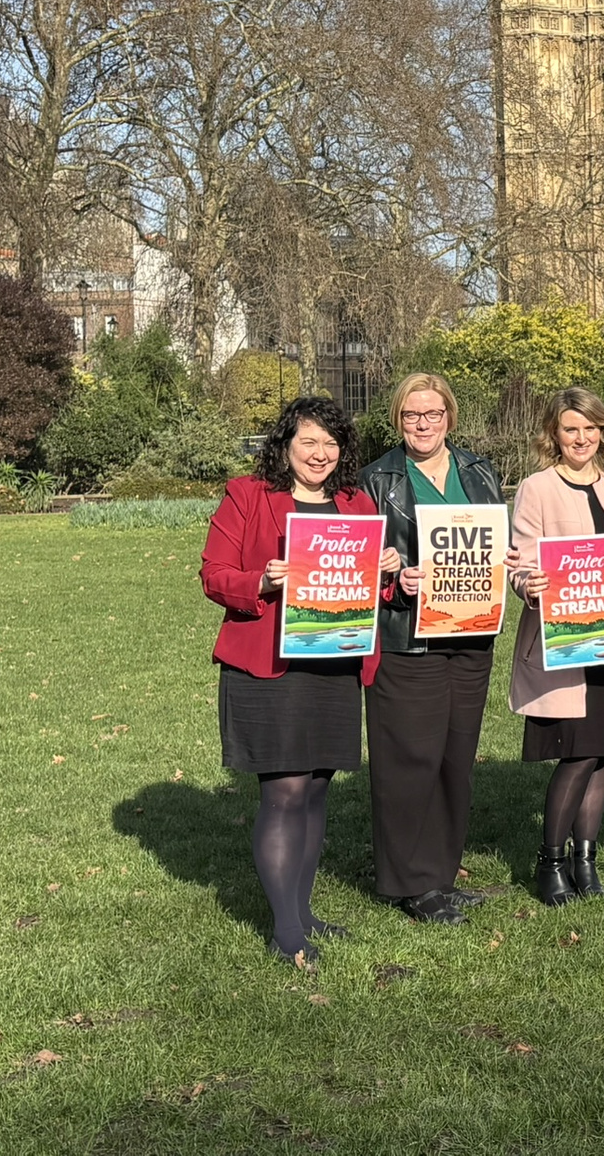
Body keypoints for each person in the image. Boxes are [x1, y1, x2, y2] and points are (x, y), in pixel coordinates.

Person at [200, 396, 401, 964]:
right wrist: (261, 579)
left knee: (315, 790)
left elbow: (365, 589)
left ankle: (304, 909)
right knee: (284, 791)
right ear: (286, 444)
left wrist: (384, 573)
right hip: (270, 665)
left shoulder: (355, 502)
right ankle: (286, 928)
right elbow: (214, 574)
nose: (320, 454)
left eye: (331, 444)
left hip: (335, 662)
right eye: (309, 442)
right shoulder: (248, 495)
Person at [361, 372, 507, 926]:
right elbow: (364, 567)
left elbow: (495, 540)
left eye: (433, 414)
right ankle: (409, 882)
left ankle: (441, 875)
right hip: (407, 641)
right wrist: (397, 583)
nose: (422, 424)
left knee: (454, 759)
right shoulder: (377, 480)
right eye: (411, 416)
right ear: (399, 419)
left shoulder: (479, 471)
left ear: (449, 416)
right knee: (408, 761)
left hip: (470, 637)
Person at [507, 387, 604, 905]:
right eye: (571, 429)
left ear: (603, 431)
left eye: (590, 428)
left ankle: (585, 860)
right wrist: (529, 584)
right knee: (577, 753)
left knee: (603, 752)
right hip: (567, 643)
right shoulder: (536, 488)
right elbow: (521, 562)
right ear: (555, 434)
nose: (582, 438)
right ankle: (551, 862)